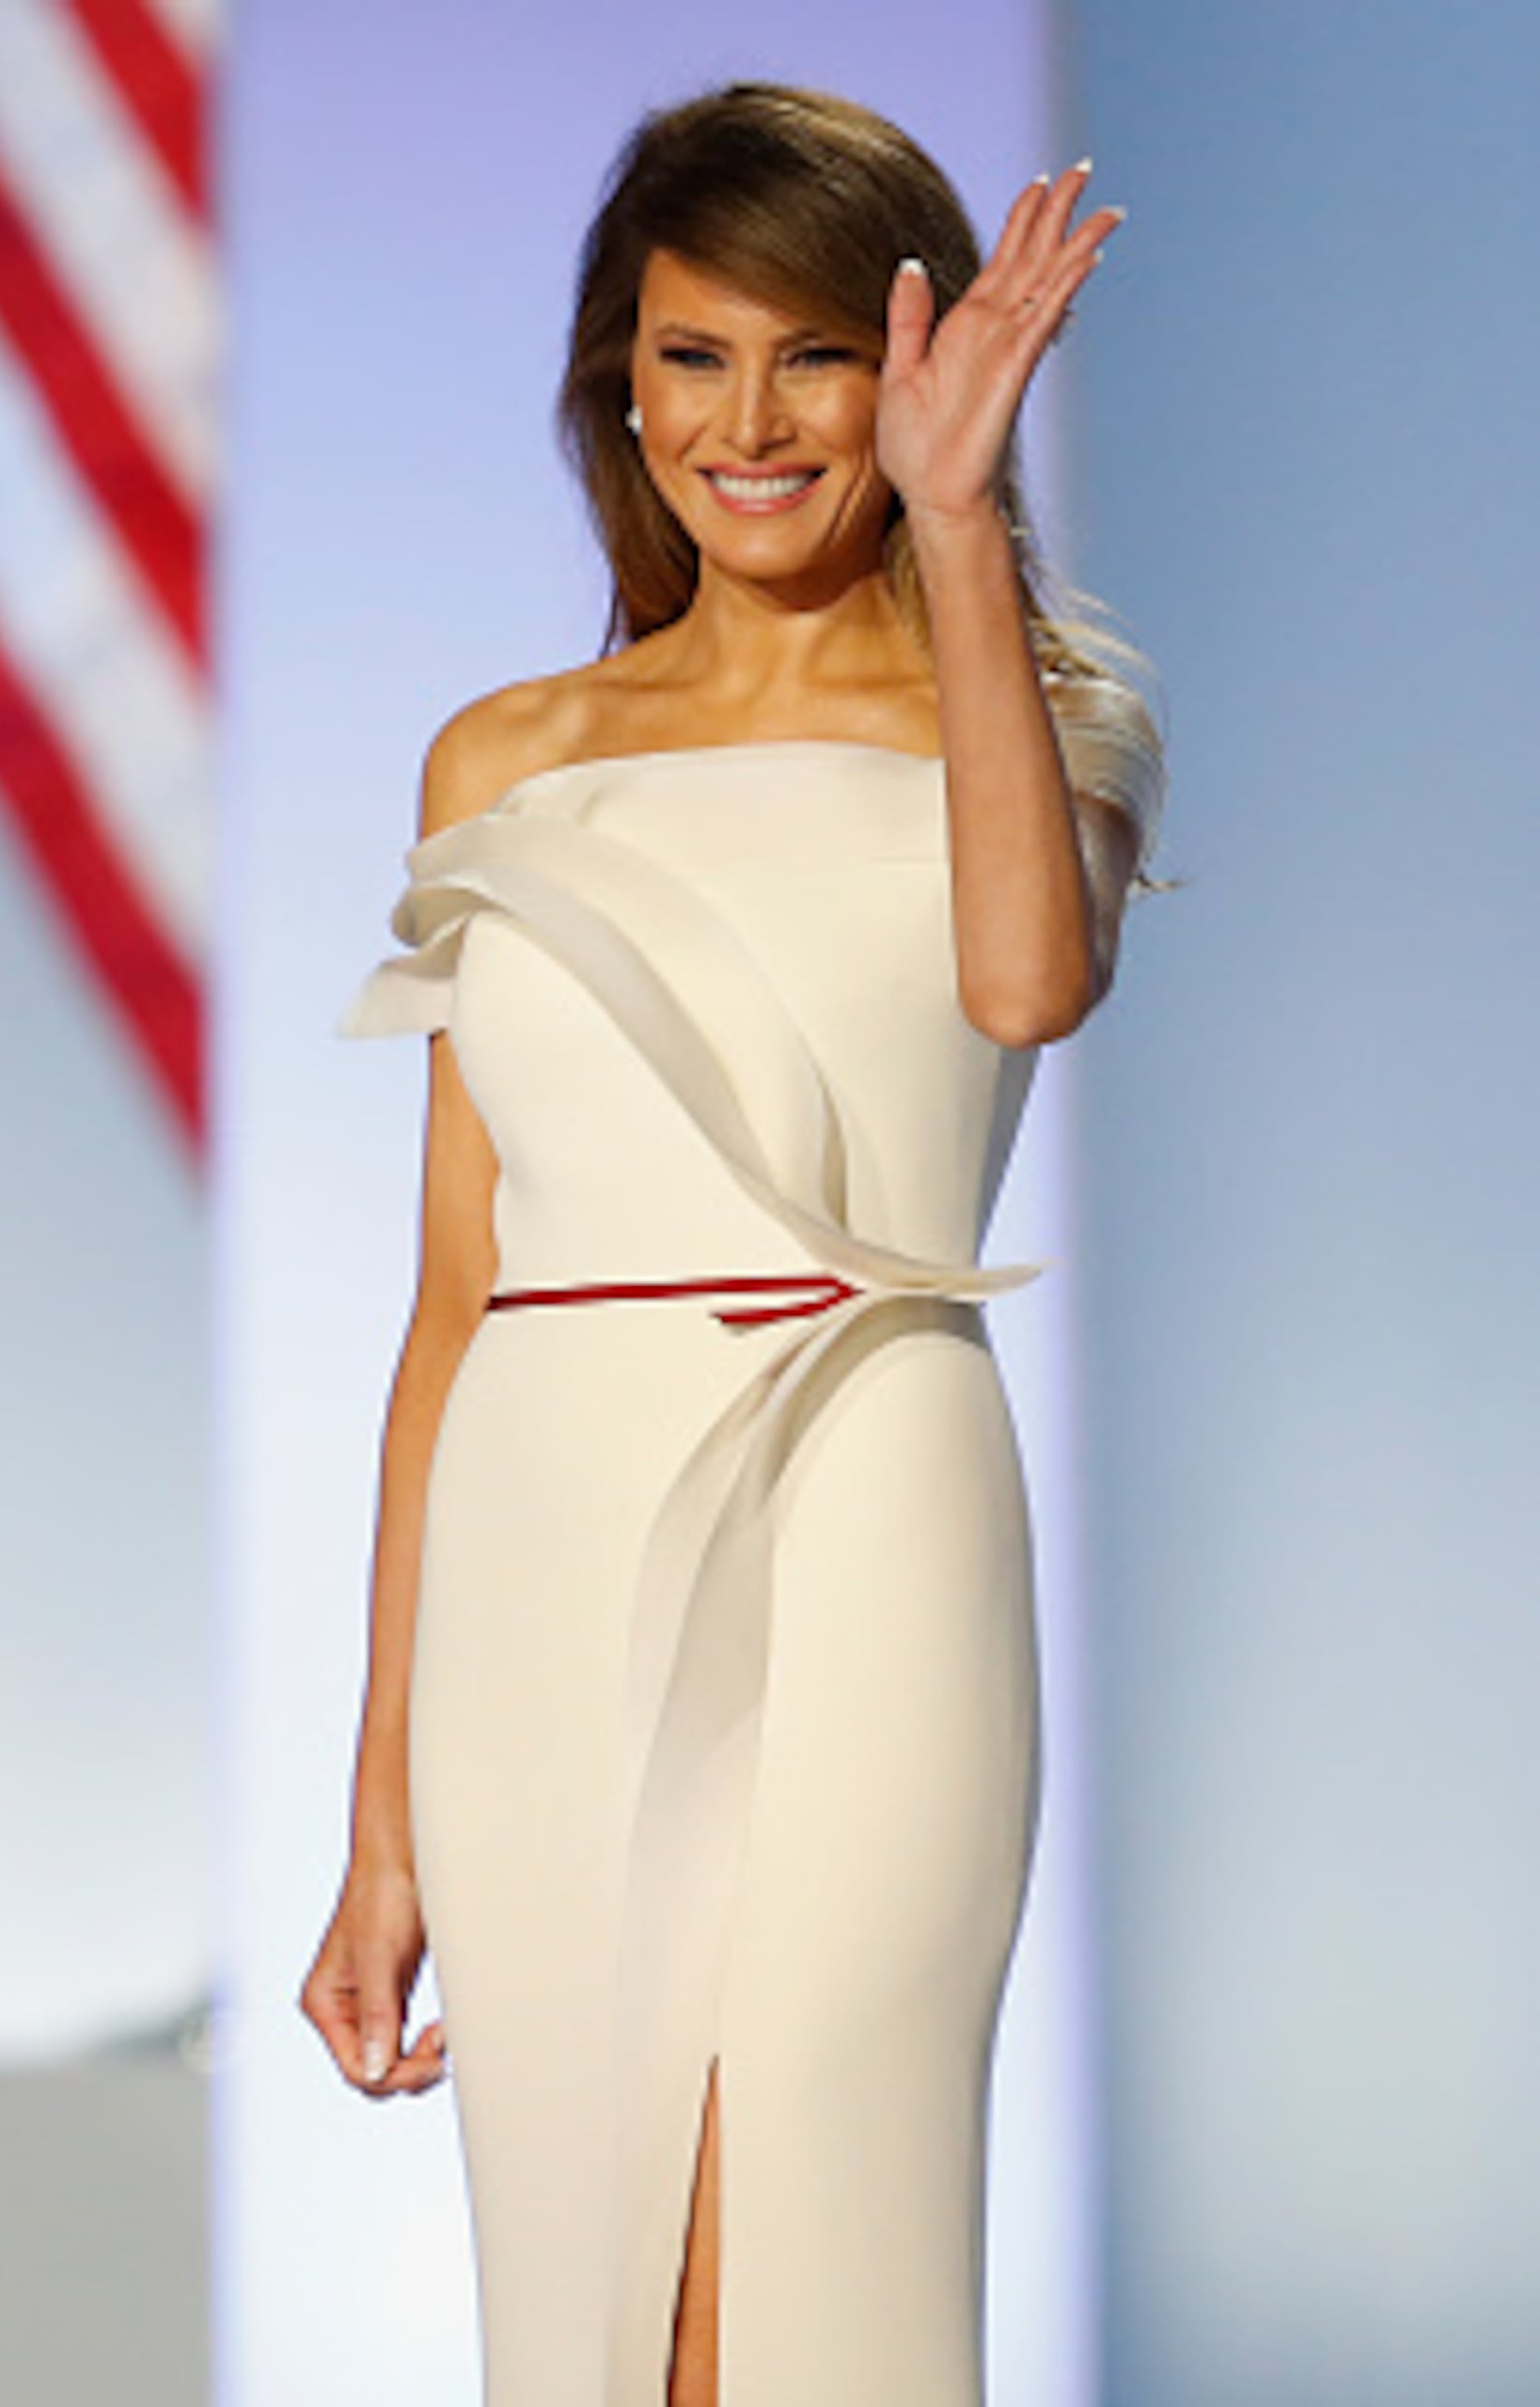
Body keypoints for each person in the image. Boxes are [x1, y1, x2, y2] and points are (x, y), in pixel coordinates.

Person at [297, 86, 1154, 2407]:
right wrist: (377, 1828)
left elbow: (1021, 984)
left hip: (872, 1485)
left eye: (816, 357)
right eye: (693, 358)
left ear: (916, 374)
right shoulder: (504, 759)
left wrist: (962, 536)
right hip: (543, 1537)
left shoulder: (1038, 718)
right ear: (621, 384)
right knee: (593, 2267)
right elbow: (453, 1296)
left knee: (810, 2218)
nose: (750, 424)